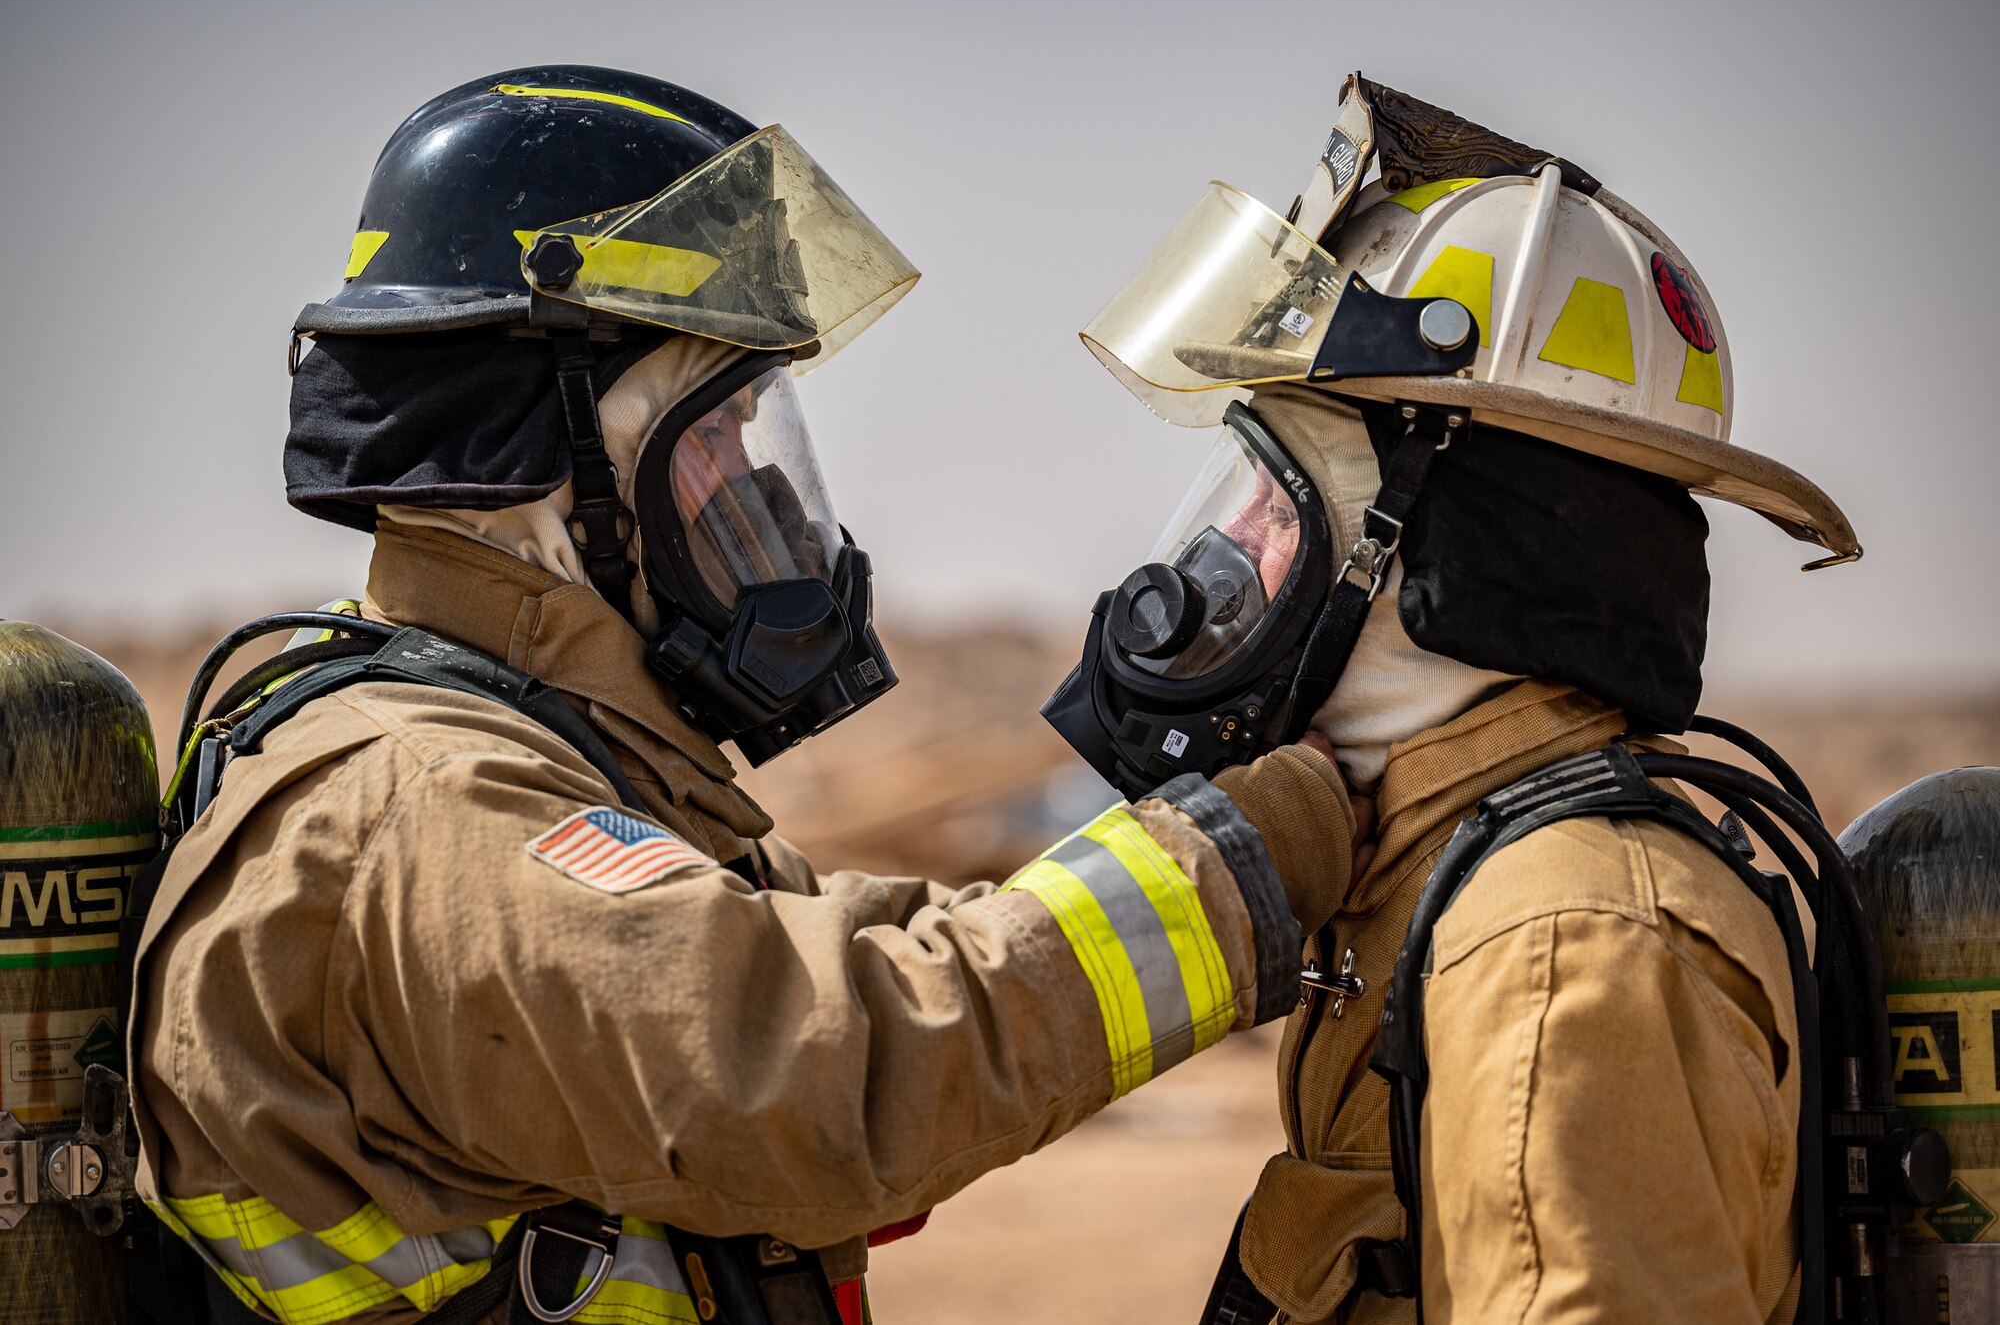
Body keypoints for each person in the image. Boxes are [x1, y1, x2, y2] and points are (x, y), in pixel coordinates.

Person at [124, 66, 1361, 1325]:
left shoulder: (523, 747)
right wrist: (1261, 851)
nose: (757, 498)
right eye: (714, 434)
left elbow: (806, 957)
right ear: (548, 461)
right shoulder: (430, 802)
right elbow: (822, 1081)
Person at [1051, 75, 1864, 1323]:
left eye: (1278, 494)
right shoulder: (1441, 879)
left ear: (1435, 536)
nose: (1240, 547)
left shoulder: (1561, 946)